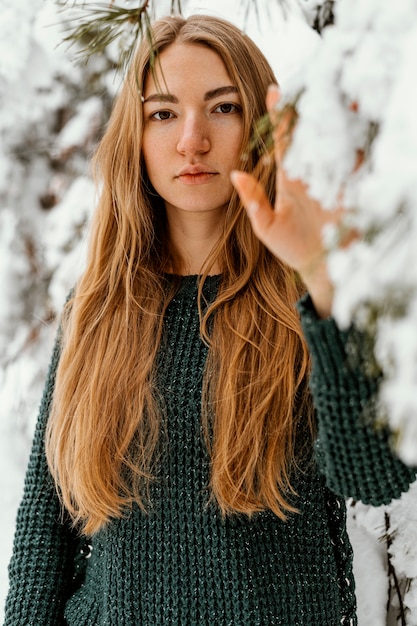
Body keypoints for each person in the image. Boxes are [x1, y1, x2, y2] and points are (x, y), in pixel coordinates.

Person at [4, 13, 416, 626]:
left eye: (222, 108)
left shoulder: (306, 301)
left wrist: (324, 282)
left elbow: (375, 477)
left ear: (259, 126)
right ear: (136, 136)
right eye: (163, 113)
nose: (191, 140)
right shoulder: (97, 309)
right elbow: (47, 529)